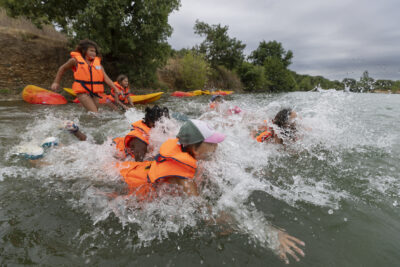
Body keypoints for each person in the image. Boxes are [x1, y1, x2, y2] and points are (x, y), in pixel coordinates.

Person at [118, 119, 305, 264]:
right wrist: (269, 234)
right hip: (128, 184)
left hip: (134, 170)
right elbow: (206, 212)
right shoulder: (183, 178)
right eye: (211, 142)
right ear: (194, 147)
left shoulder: (189, 153)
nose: (217, 146)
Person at [51, 39, 128, 112]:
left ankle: (84, 123)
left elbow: (106, 78)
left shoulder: (98, 65)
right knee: (95, 113)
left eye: (95, 51)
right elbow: (62, 68)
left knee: (94, 112)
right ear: (84, 51)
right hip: (83, 92)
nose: (94, 53)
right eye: (91, 51)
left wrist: (115, 88)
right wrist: (56, 82)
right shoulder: (75, 61)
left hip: (95, 93)